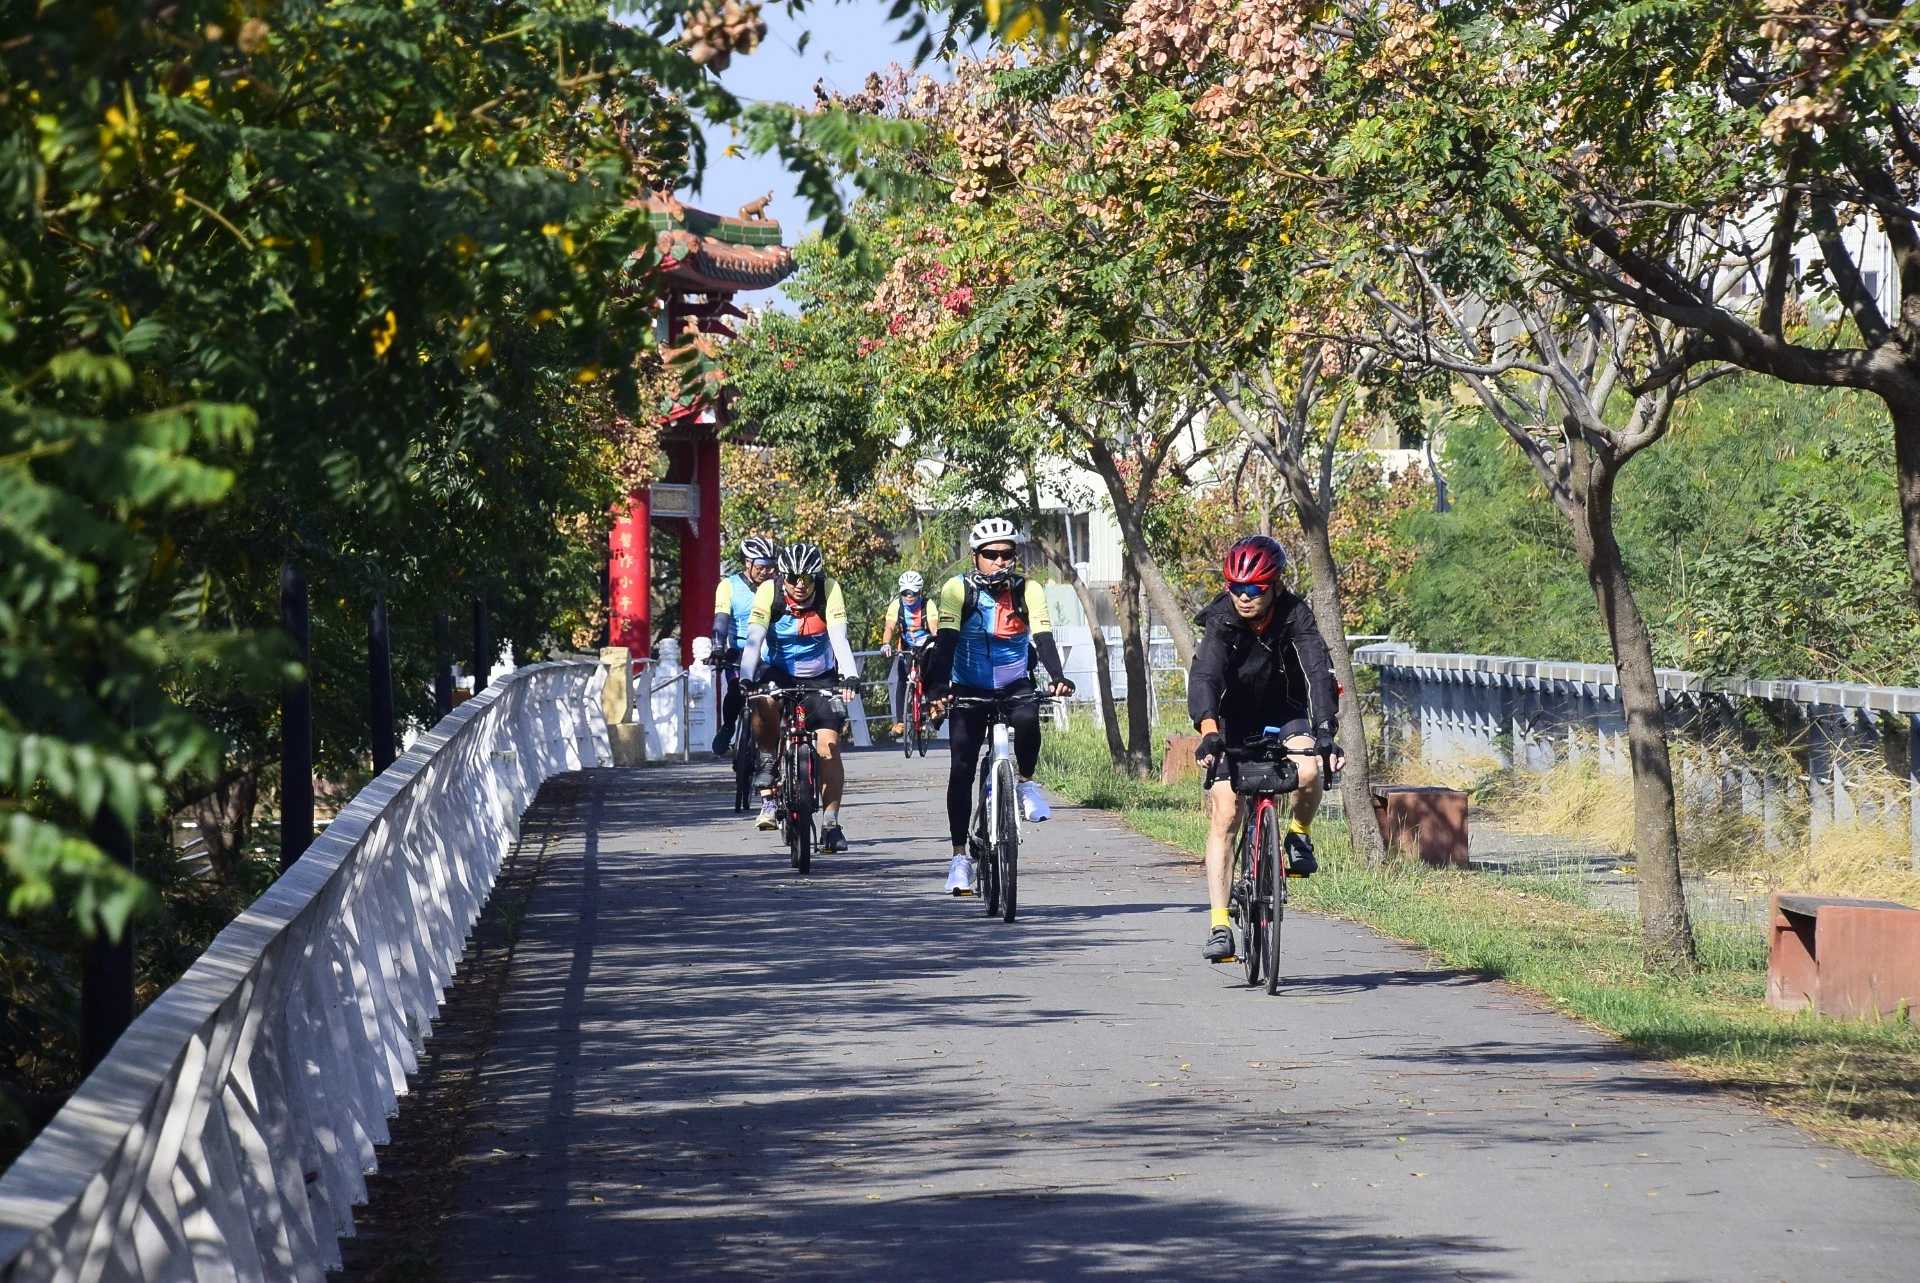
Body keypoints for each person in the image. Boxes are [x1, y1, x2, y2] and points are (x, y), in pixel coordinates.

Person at [1187, 534, 1343, 963]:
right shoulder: (1221, 619)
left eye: (1254, 588)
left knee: (1308, 771)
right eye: (1235, 587)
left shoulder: (1296, 615)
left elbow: (1317, 672)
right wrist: (1208, 731)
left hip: (1285, 711)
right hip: (1231, 719)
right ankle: (1220, 923)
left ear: (1275, 585)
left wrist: (1326, 730)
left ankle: (1297, 836)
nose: (1243, 597)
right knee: (1226, 810)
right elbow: (1205, 677)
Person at [926, 517, 1075, 895]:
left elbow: (1042, 636)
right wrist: (939, 687)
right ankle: (960, 858)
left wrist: (1057, 676)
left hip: (1013, 682)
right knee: (961, 765)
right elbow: (945, 642)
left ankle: (1025, 783)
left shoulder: (1029, 590)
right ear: (975, 558)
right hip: (968, 685)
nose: (999, 561)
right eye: (990, 555)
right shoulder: (957, 590)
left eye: (1006, 554)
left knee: (1027, 715)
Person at [739, 541, 861, 853]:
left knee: (829, 745)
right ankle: (767, 757)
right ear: (783, 576)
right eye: (793, 578)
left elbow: (839, 637)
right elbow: (754, 639)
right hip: (777, 669)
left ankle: (831, 823)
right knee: (763, 701)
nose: (800, 585)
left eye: (807, 577)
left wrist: (849, 675)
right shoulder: (768, 590)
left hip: (819, 674)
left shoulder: (829, 589)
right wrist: (746, 677)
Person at [711, 535, 779, 756]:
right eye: (760, 566)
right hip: (738, 651)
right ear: (747, 562)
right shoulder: (729, 585)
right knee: (735, 690)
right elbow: (721, 619)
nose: (765, 572)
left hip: (769, 652)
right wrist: (717, 648)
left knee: (784, 695)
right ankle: (729, 725)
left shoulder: (776, 584)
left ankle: (787, 737)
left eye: (770, 566)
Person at [880, 571, 935, 736]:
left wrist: (937, 642)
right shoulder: (896, 605)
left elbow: (934, 627)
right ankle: (899, 723)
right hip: (907, 645)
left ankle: (933, 705)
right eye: (905, 593)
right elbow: (889, 627)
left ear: (919, 592)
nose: (909, 596)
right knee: (902, 680)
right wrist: (885, 644)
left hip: (926, 643)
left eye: (913, 593)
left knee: (930, 671)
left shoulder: (928, 605)